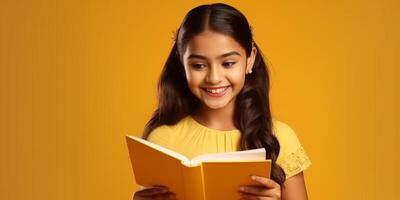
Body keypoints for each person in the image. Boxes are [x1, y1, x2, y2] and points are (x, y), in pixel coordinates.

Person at [133, 3, 311, 200]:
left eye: (228, 63)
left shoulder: (280, 137)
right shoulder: (162, 141)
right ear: (181, 63)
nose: (214, 78)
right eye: (199, 65)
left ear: (250, 59)